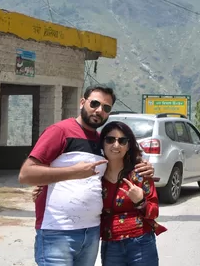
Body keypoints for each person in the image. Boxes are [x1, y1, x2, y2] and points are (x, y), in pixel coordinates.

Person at [18, 86, 154, 266]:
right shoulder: (60, 131)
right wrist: (72, 172)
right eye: (95, 103)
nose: (99, 110)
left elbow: (120, 162)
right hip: (57, 233)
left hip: (91, 234)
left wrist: (145, 166)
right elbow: (26, 174)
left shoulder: (102, 141)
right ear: (83, 102)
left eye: (106, 108)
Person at [99, 121, 166, 265]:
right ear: (102, 143)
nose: (116, 145)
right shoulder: (95, 177)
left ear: (128, 146)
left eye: (122, 141)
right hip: (111, 245)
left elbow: (154, 212)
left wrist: (141, 201)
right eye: (110, 140)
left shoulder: (140, 173)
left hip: (141, 241)